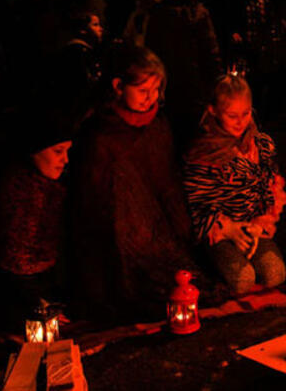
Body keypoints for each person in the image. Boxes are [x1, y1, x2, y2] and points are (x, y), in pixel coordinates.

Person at [71, 44, 202, 322]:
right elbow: (92, 195)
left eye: (155, 90)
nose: (150, 98)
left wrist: (179, 223)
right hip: (114, 232)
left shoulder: (157, 124)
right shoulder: (100, 132)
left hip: (155, 229)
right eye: (143, 91)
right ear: (119, 86)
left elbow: (166, 177)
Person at [183, 74, 286, 295]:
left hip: (254, 228)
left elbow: (272, 188)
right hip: (219, 232)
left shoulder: (261, 146)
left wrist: (259, 225)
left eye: (246, 114)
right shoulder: (204, 152)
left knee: (275, 273)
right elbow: (197, 204)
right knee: (242, 278)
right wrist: (228, 229)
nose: (241, 122)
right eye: (232, 116)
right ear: (214, 111)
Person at [0, 108, 74, 334]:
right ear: (33, 151)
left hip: (36, 293)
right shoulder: (17, 196)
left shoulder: (49, 190)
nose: (65, 160)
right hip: (10, 304)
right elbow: (14, 265)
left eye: (67, 151)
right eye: (58, 151)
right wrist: (37, 306)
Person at [145, 0, 222, 153]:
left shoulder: (158, 15)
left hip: (170, 95)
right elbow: (211, 57)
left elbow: (151, 55)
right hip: (194, 97)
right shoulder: (198, 14)